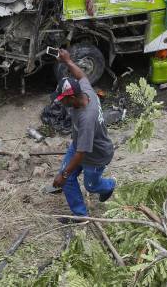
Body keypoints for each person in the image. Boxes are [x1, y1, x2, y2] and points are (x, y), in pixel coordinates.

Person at [52, 49, 116, 216]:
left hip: (95, 155)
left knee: (90, 186)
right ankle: (81, 216)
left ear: (72, 97)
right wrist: (68, 61)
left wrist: (64, 174)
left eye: (62, 99)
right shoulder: (84, 91)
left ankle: (109, 185)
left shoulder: (87, 119)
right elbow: (82, 76)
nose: (61, 102)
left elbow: (81, 154)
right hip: (80, 145)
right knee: (68, 181)